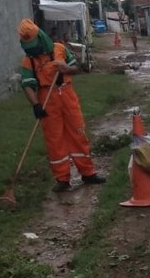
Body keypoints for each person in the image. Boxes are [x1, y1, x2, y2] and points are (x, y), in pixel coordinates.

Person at [17, 18, 106, 192]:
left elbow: (76, 68)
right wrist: (36, 105)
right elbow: (27, 85)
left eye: (34, 45)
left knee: (78, 133)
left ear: (41, 38)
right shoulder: (28, 61)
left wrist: (65, 68)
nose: (32, 50)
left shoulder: (59, 49)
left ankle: (88, 173)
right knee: (54, 139)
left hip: (66, 94)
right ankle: (62, 178)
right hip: (46, 99)